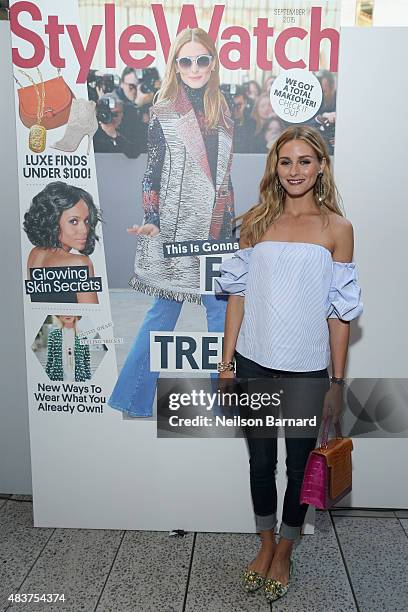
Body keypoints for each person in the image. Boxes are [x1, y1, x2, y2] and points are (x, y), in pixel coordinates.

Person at [215, 126, 363, 603]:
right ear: (274, 168)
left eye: (304, 161)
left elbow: (340, 315)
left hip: (306, 369)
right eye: (286, 161)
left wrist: (336, 381)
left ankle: (286, 549)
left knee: (299, 469)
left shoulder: (338, 229)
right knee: (261, 464)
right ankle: (263, 544)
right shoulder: (255, 222)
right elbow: (237, 298)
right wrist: (226, 361)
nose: (294, 170)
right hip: (254, 362)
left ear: (321, 165)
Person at [108, 27, 234, 417]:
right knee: (162, 315)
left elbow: (224, 176)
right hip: (177, 231)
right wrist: (152, 219)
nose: (194, 68)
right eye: (186, 61)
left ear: (212, 63)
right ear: (175, 66)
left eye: (202, 60)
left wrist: (233, 226)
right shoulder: (163, 111)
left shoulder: (224, 108)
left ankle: (225, 404)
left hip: (218, 231)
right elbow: (152, 173)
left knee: (222, 318)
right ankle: (132, 399)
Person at [23, 181, 100, 304]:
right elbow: (92, 313)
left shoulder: (35, 253)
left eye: (86, 221)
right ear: (52, 220)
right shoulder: (80, 263)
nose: (84, 230)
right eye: (73, 221)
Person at [45, 316, 91, 382]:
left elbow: (86, 360)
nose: (68, 315)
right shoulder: (53, 335)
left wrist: (88, 378)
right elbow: (50, 359)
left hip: (79, 378)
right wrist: (46, 378)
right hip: (58, 378)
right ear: (60, 316)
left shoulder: (83, 336)